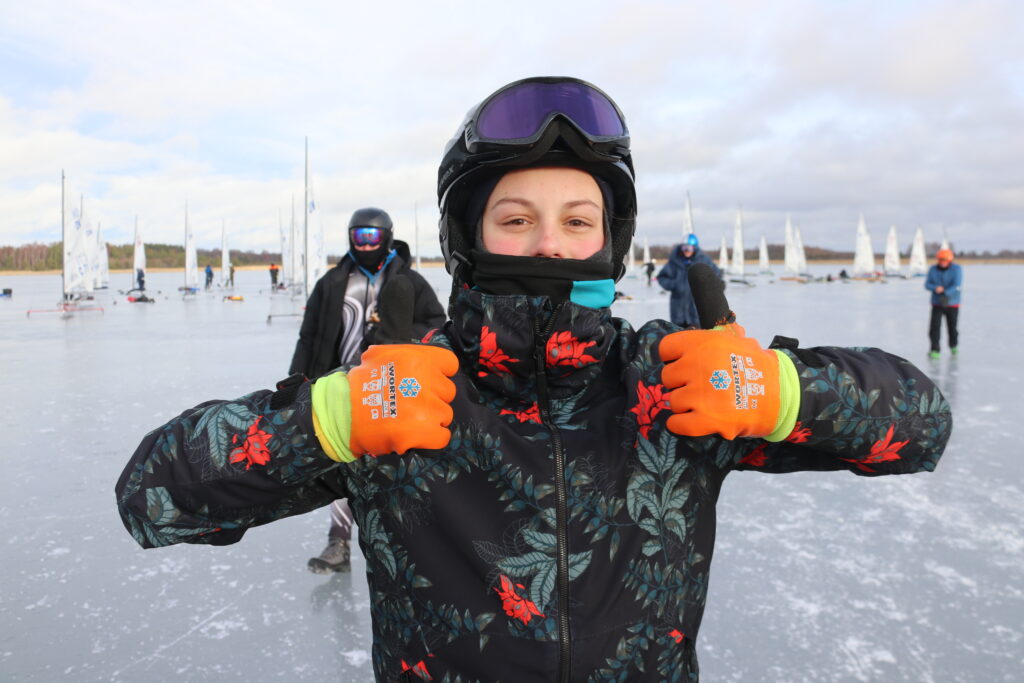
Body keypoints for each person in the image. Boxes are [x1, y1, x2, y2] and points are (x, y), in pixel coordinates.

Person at [116, 77, 952, 681]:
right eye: (516, 219)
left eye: (577, 220)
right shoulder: (407, 395)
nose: (550, 242)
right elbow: (151, 496)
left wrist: (783, 391)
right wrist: (328, 419)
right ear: (469, 239)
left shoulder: (668, 385)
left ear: (608, 240)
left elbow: (921, 424)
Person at [290, 207, 446, 573]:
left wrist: (395, 336)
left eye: (372, 237)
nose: (365, 244)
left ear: (387, 237)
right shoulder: (332, 283)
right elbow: (309, 335)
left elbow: (436, 326)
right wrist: (297, 380)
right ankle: (338, 544)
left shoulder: (410, 281)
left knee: (395, 469)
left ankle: (409, 549)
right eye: (359, 237)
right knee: (342, 462)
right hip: (340, 388)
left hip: (392, 391)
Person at [656, 233, 723, 328]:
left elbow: (717, 275)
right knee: (679, 337)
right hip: (678, 310)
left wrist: (708, 288)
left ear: (694, 248)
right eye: (684, 248)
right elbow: (662, 277)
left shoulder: (704, 260)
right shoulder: (675, 261)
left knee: (696, 338)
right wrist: (675, 285)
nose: (686, 251)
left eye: (689, 248)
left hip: (696, 311)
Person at [925, 248, 962, 358]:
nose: (942, 262)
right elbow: (927, 284)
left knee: (952, 326)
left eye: (945, 259)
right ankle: (935, 349)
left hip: (952, 303)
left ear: (950, 260)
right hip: (937, 303)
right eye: (940, 259)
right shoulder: (933, 269)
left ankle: (953, 345)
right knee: (934, 327)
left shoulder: (957, 269)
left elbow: (957, 285)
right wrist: (935, 288)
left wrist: (945, 291)